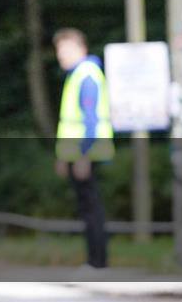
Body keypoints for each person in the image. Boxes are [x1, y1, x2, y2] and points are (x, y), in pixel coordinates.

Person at [53, 28, 114, 270]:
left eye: (65, 49)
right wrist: (62, 157)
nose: (61, 55)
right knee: (88, 208)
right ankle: (95, 261)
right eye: (58, 51)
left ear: (80, 48)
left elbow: (90, 121)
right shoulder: (77, 74)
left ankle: (97, 262)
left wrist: (83, 156)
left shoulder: (86, 74)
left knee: (92, 210)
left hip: (87, 154)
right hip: (78, 154)